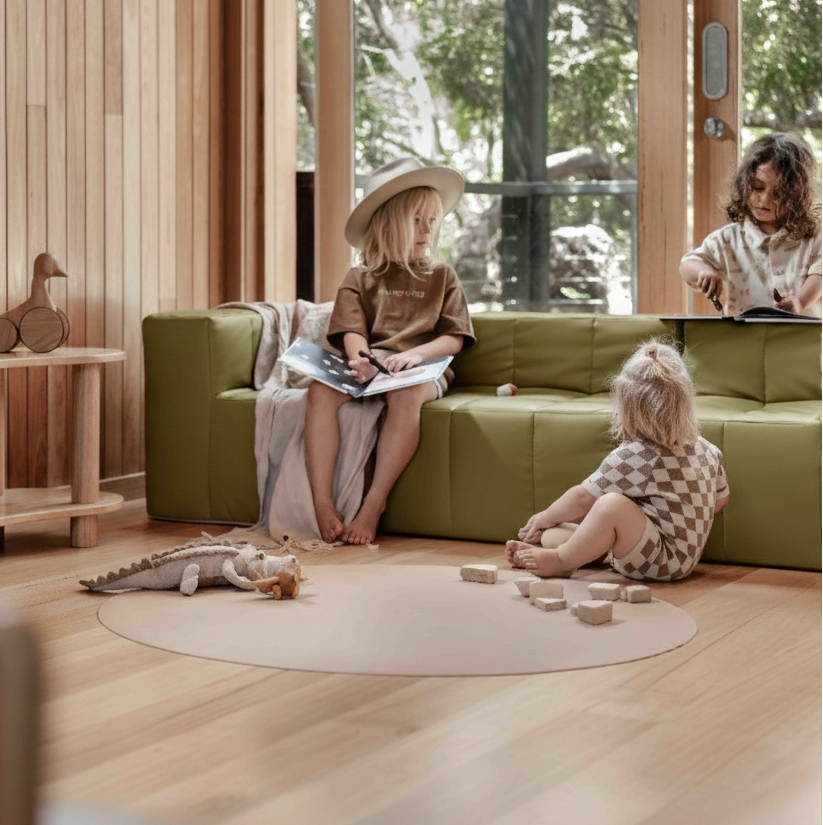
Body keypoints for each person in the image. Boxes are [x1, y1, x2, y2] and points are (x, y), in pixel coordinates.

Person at [304, 157, 476, 545]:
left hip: (422, 371)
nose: (427, 230)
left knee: (406, 392)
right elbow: (351, 331)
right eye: (417, 220)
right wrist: (360, 360)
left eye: (432, 220)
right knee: (318, 391)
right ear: (385, 224)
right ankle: (322, 502)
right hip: (370, 366)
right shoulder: (359, 277)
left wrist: (417, 356)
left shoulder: (442, 276)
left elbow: (455, 337)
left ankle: (374, 503)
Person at [506, 340, 729, 582]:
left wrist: (545, 516)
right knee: (553, 535)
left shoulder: (636, 456)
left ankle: (560, 561)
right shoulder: (708, 449)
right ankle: (579, 552)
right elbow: (720, 500)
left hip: (662, 562)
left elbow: (583, 497)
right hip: (683, 558)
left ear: (626, 406)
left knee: (610, 505)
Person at [679, 132, 822, 317]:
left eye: (778, 193)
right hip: (742, 341)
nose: (764, 199)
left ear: (796, 196)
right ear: (744, 183)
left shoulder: (813, 234)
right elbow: (688, 264)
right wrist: (704, 272)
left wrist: (800, 302)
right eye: (758, 188)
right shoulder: (728, 239)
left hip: (802, 341)